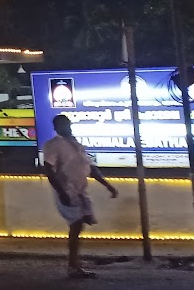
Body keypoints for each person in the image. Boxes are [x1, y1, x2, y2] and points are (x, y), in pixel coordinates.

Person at [44, 114, 118, 279]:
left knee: (79, 225)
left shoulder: (76, 144)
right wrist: (62, 193)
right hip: (66, 190)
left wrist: (108, 185)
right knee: (76, 225)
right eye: (62, 125)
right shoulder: (53, 145)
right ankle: (73, 266)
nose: (66, 127)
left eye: (67, 124)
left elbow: (90, 168)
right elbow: (49, 169)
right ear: (56, 127)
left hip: (79, 191)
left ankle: (75, 263)